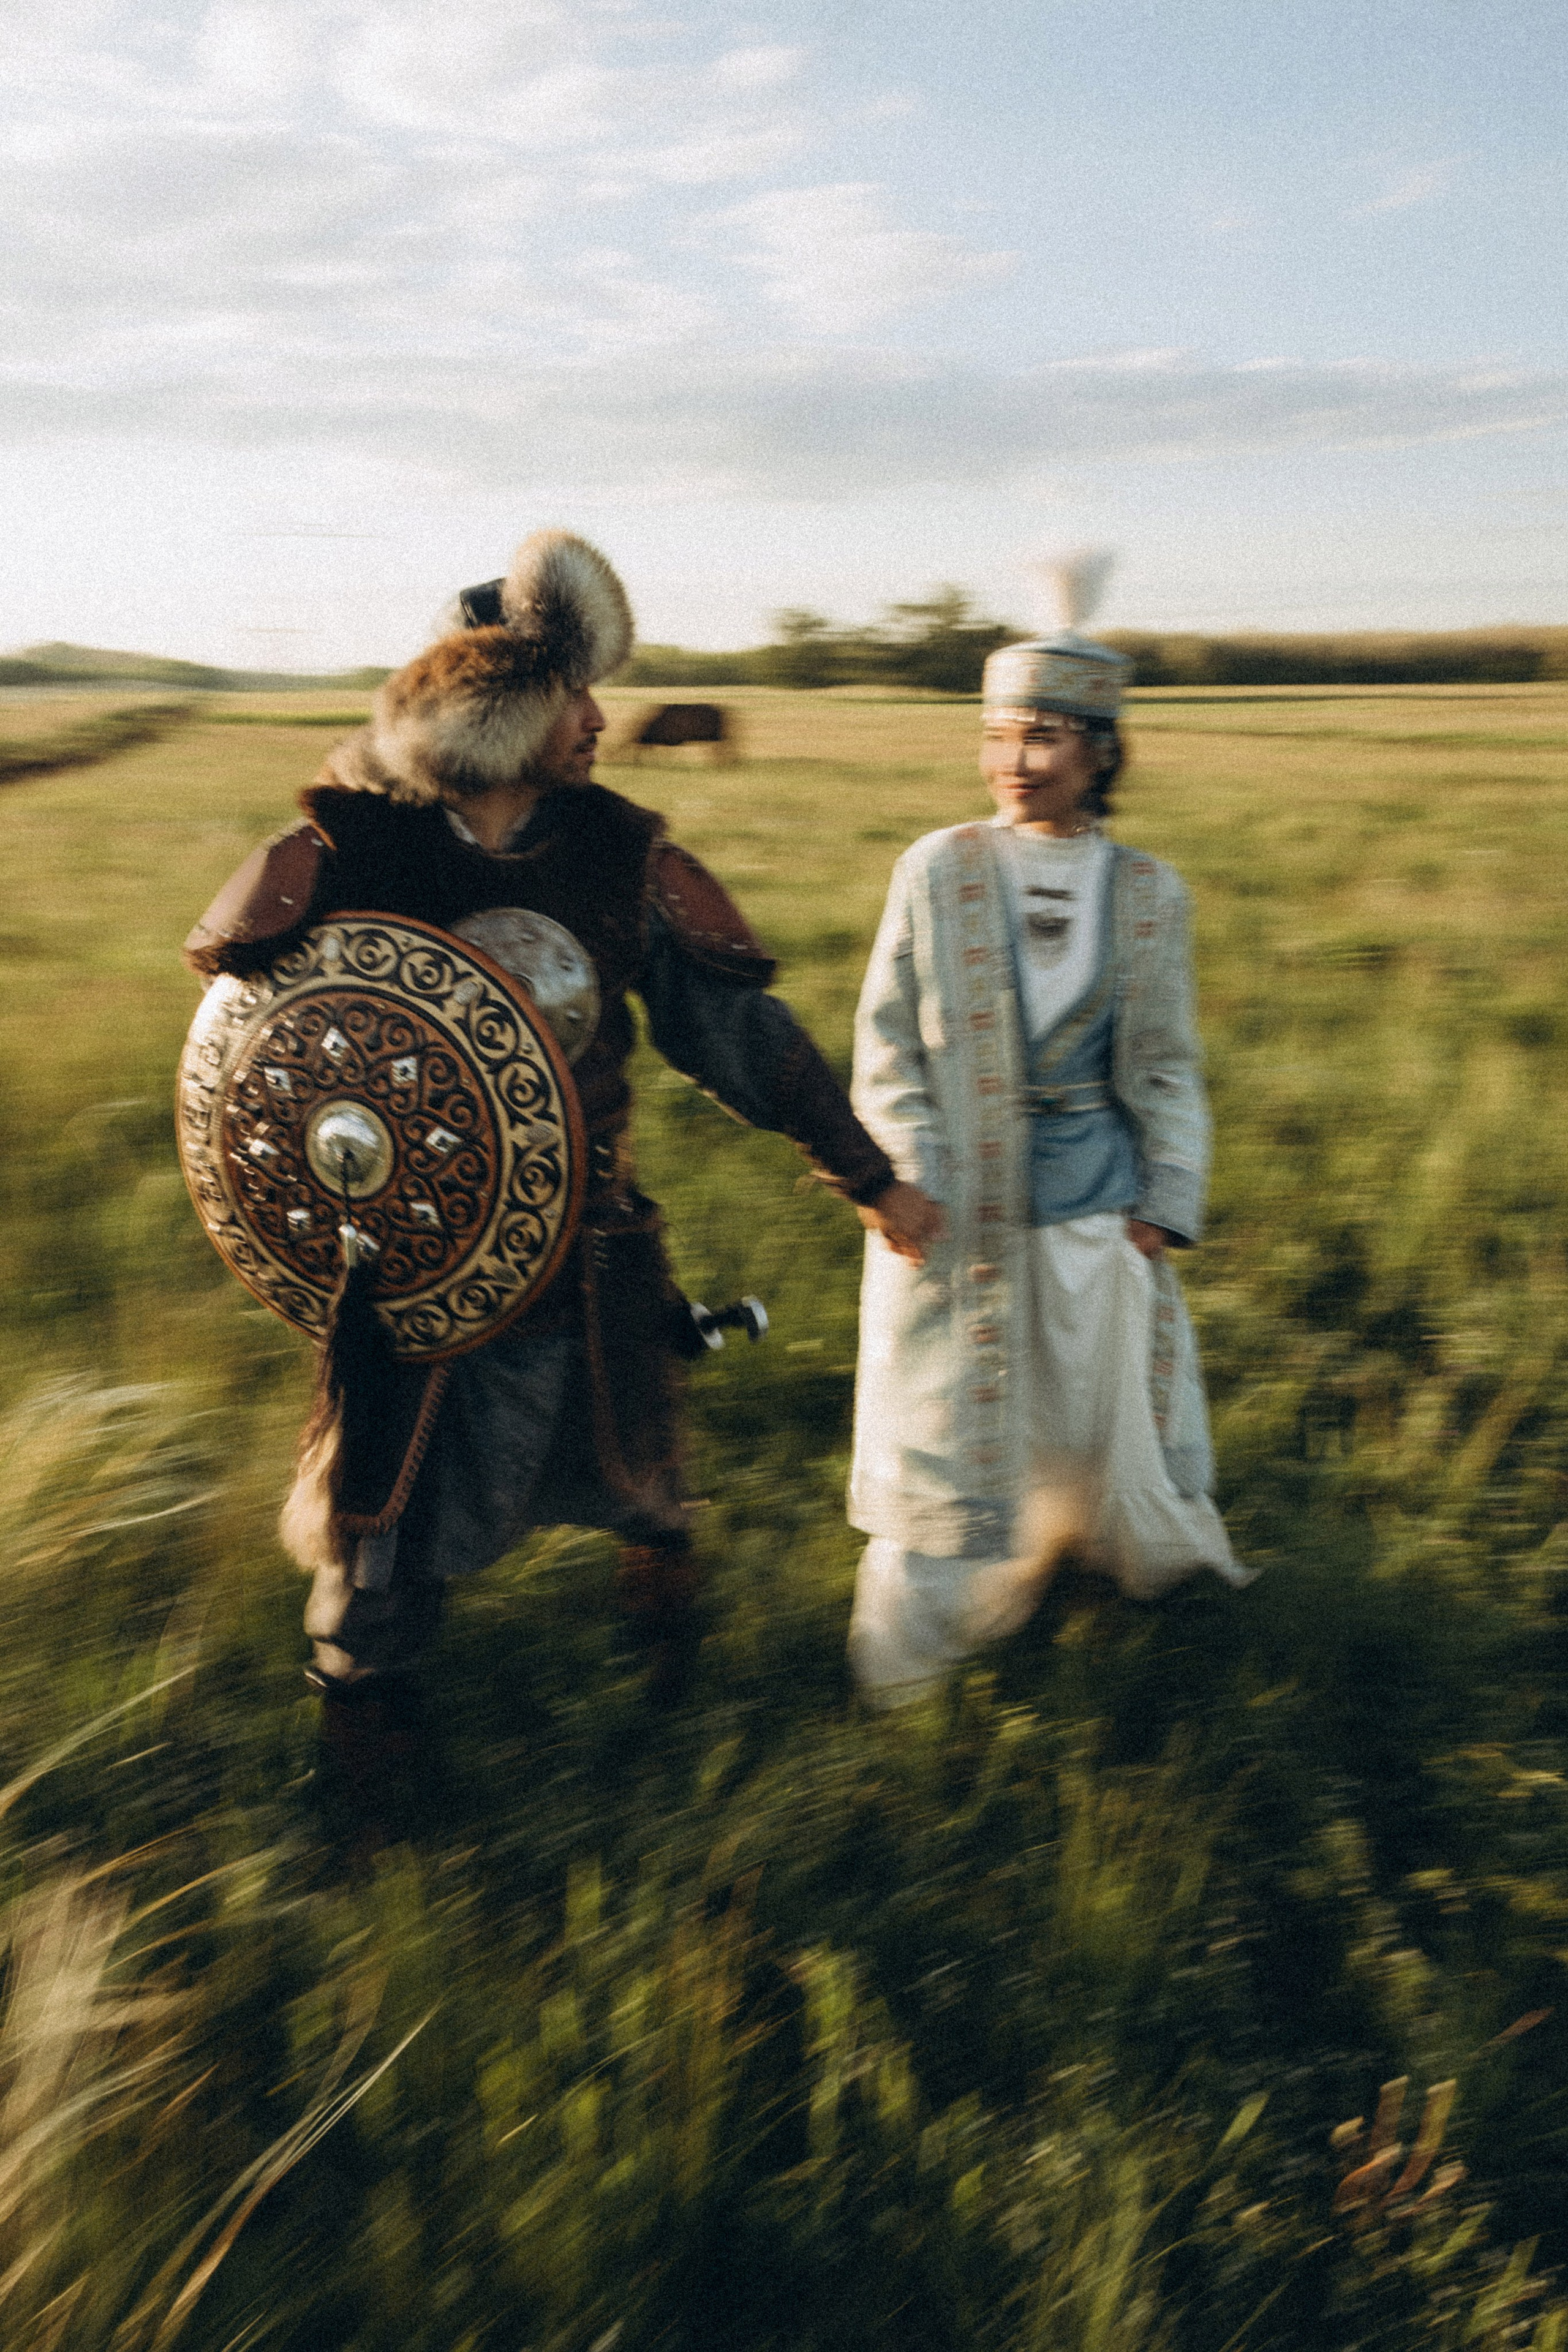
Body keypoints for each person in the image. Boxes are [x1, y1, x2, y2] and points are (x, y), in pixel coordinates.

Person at [183, 530, 937, 1760]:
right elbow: (252, 1056)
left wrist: (868, 1177)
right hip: (414, 1268)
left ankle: (671, 1717)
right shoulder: (352, 854)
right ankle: (366, 1763)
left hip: (586, 1253)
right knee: (383, 1528)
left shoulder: (613, 856)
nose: (598, 717)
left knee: (645, 1486)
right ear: (494, 711)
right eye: (567, 694)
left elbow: (737, 1034)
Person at [845, 559, 1250, 1705]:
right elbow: (887, 1045)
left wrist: (1165, 1198)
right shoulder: (937, 868)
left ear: (1103, 753)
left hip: (1097, 1213)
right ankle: (915, 1664)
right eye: (1000, 736)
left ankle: (1088, 1584)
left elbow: (1166, 1062)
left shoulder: (1151, 892)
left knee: (1081, 1417)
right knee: (949, 1431)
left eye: (1046, 739)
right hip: (953, 1209)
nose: (1015, 763)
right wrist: (902, 1178)